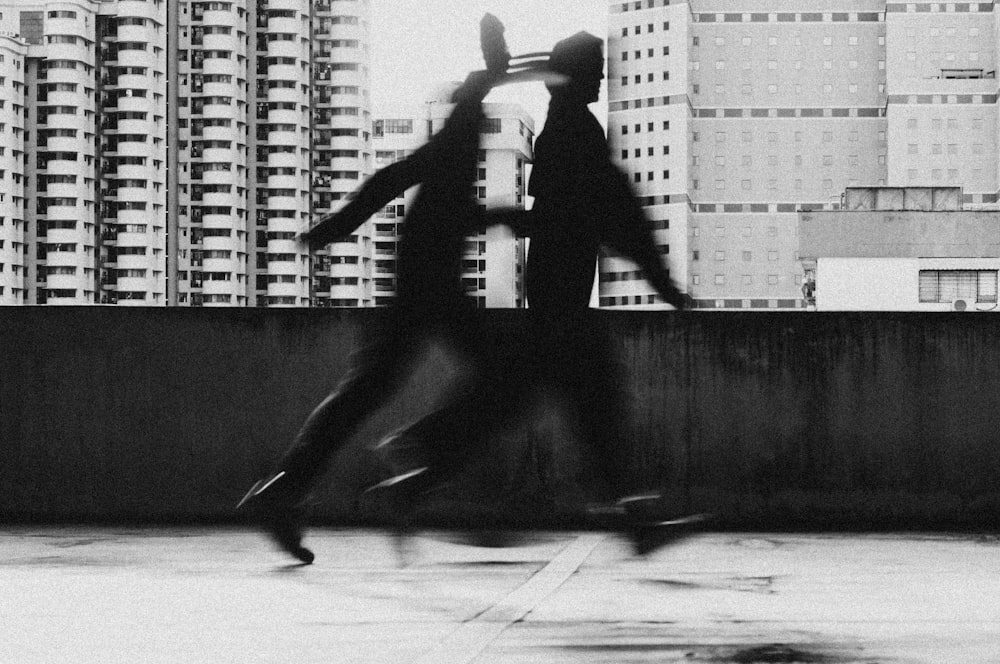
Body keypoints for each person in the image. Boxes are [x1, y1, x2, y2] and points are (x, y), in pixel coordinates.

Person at [237, 16, 548, 563]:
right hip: (429, 286)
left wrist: (504, 215)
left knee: (365, 392)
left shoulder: (457, 147)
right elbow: (395, 179)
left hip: (425, 283)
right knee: (505, 375)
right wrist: (340, 225)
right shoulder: (458, 139)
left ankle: (289, 490)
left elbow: (426, 195)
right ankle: (412, 456)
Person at [381, 32, 701, 555]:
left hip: (554, 296)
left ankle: (416, 468)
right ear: (575, 76)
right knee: (580, 400)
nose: (602, 77)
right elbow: (608, 209)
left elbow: (571, 212)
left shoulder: (562, 130)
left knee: (518, 398)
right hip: (561, 300)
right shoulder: (576, 132)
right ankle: (417, 454)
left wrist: (508, 217)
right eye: (595, 68)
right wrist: (660, 279)